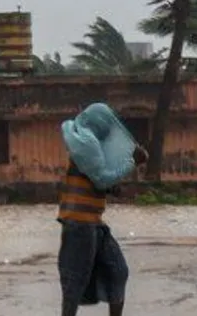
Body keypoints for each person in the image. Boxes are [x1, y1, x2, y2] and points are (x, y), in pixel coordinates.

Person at [57, 105, 148, 316]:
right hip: (80, 225)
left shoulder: (88, 148)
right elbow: (101, 179)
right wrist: (132, 162)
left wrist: (112, 188)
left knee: (118, 271)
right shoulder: (85, 147)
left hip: (93, 223)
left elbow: (97, 180)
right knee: (74, 283)